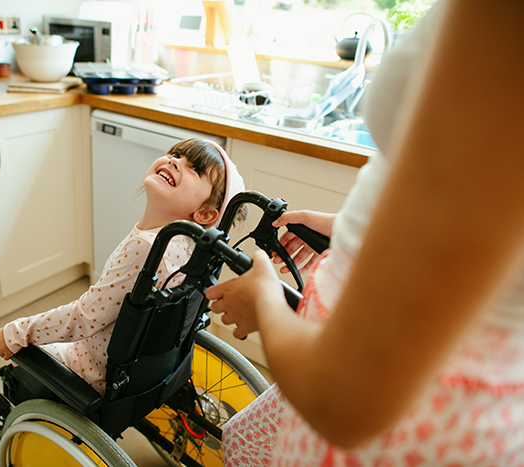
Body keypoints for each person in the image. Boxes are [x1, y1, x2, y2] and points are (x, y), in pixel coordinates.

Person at [206, 0, 524, 465]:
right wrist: (350, 229)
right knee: (244, 440)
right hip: (365, 349)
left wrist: (265, 300)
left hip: (399, 407)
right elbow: (468, 203)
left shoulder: (500, 19)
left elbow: (344, 401)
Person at [0, 138, 246, 395]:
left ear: (205, 214)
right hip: (148, 367)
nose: (175, 162)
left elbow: (83, 317)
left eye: (194, 168)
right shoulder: (191, 248)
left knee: (19, 358)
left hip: (93, 370)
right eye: (176, 154)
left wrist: (17, 331)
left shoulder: (145, 248)